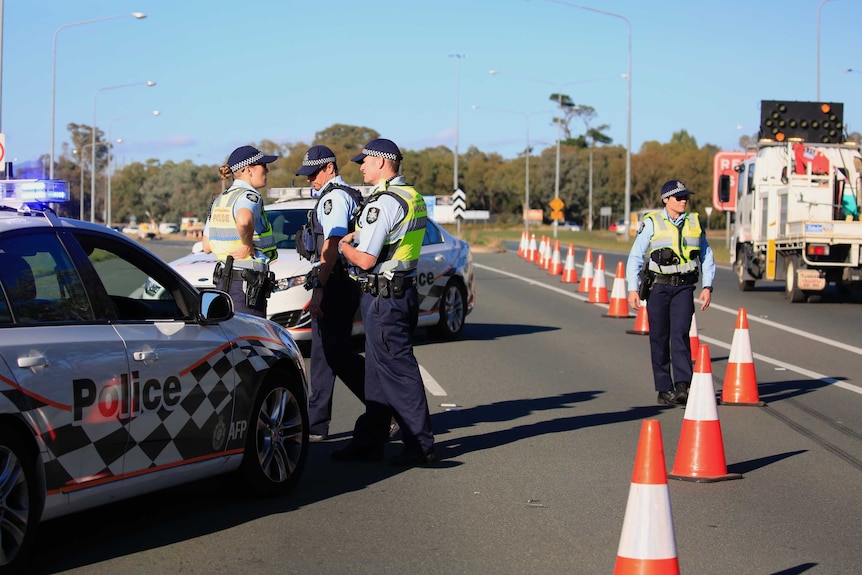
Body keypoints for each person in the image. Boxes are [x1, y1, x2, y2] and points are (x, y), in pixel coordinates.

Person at [331, 138, 435, 466]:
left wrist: (342, 247)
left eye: (365, 161)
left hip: (384, 297)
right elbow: (394, 240)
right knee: (376, 372)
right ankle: (369, 442)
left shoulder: (384, 202)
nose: (360, 166)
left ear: (381, 162)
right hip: (398, 292)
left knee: (399, 371)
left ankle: (420, 445)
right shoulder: (410, 195)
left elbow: (364, 260)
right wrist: (358, 238)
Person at [294, 145, 366, 442]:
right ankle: (316, 423)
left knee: (336, 354)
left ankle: (383, 408)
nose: (310, 179)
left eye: (314, 173)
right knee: (325, 355)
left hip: (336, 282)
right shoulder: (335, 195)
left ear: (329, 168)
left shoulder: (334, 198)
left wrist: (321, 288)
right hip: (336, 280)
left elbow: (332, 243)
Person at [625, 180, 715, 406]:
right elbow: (636, 255)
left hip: (684, 287)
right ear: (666, 199)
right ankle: (664, 388)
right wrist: (632, 288)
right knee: (659, 337)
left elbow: (706, 254)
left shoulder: (694, 221)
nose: (684, 200)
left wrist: (707, 286)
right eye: (679, 197)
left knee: (680, 334)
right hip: (658, 287)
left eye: (686, 197)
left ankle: (683, 385)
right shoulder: (653, 223)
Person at [202, 145, 278, 318]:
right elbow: (244, 220)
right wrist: (246, 244)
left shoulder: (220, 200)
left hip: (224, 282)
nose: (267, 170)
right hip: (246, 285)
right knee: (250, 340)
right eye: (263, 166)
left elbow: (206, 246)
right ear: (249, 170)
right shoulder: (249, 196)